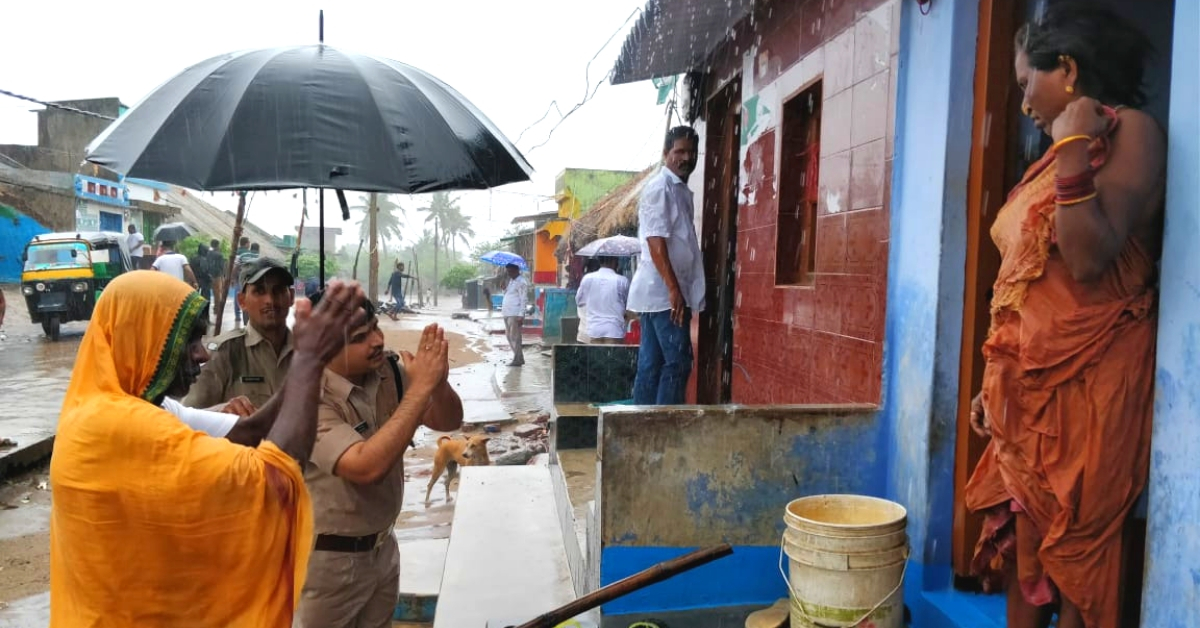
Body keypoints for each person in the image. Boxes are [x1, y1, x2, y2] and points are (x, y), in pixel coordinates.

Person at [963, 7, 1164, 628]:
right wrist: (997, 383)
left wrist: (1075, 142)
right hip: (1031, 396)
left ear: (1069, 70)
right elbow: (1028, 278)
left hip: (1092, 388)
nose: (1022, 101)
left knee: (1076, 556)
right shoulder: (1048, 158)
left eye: (1027, 82)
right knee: (1028, 555)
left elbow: (1086, 259)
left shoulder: (1131, 132)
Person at [48, 270, 368, 626]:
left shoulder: (144, 406)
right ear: (143, 338)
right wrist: (308, 363)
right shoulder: (111, 425)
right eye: (190, 341)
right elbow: (273, 476)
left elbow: (251, 431)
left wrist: (308, 362)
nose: (202, 354)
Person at [296, 293, 463, 628]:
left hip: (383, 547)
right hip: (327, 563)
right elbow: (365, 467)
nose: (376, 341)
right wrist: (421, 389)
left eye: (374, 328)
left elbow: (448, 420)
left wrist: (438, 384)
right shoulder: (306, 397)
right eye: (359, 338)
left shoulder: (389, 373)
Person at [628, 126, 704, 405]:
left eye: (691, 152)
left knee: (652, 363)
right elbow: (655, 241)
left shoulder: (678, 189)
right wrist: (673, 289)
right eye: (679, 151)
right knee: (678, 362)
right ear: (666, 154)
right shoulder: (660, 188)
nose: (686, 157)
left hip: (662, 292)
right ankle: (663, 430)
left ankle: (640, 427)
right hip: (664, 294)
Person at [185, 257, 296, 410]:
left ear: (291, 297)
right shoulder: (221, 353)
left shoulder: (309, 353)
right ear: (242, 301)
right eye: (259, 291)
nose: (270, 300)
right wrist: (220, 413)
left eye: (278, 291)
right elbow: (187, 419)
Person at [576, 256, 629, 345]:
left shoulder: (588, 278)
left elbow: (579, 301)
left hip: (594, 329)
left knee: (597, 358)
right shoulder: (622, 281)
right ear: (614, 261)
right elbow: (628, 305)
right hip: (615, 329)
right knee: (613, 357)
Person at [501, 263, 529, 367]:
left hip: (514, 313)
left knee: (515, 337)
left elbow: (523, 299)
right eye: (508, 271)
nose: (508, 273)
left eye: (510, 271)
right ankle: (518, 357)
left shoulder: (521, 282)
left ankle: (518, 359)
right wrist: (504, 289)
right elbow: (509, 295)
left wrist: (521, 314)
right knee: (509, 336)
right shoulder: (511, 281)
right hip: (507, 312)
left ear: (516, 270)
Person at [192, 244, 215, 321]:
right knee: (206, 301)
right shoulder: (204, 260)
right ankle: (205, 319)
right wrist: (210, 278)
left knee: (194, 301)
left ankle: (194, 319)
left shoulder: (193, 258)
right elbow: (204, 271)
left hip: (195, 282)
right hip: (204, 283)